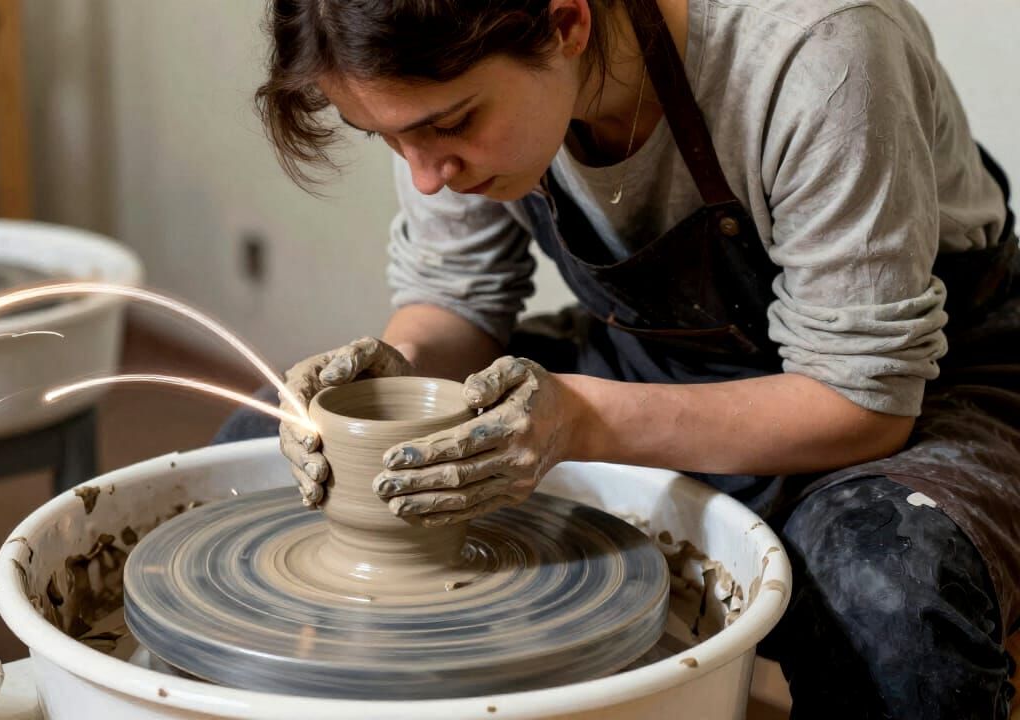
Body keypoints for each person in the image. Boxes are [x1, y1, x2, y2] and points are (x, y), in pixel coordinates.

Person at [214, 0, 1020, 716]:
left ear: (567, 22)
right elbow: (460, 299)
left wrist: (583, 420)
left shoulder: (819, 47)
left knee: (882, 583)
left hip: (930, 384)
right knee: (260, 439)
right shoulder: (463, 107)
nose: (426, 177)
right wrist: (398, 369)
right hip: (650, 354)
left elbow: (863, 401)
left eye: (449, 124)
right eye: (388, 138)